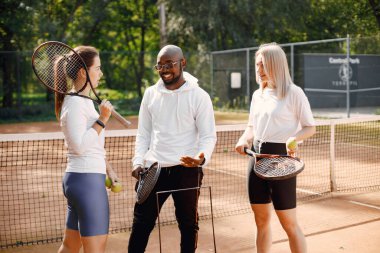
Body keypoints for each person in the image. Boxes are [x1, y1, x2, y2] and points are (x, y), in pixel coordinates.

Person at [128, 44, 217, 253]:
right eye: (160, 65)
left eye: (170, 64)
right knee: (141, 224)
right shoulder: (150, 94)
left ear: (183, 63)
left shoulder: (199, 96)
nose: (165, 69)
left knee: (188, 225)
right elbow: (143, 133)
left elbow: (208, 136)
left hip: (186, 170)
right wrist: (137, 162)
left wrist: (200, 158)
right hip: (154, 169)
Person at [235, 43, 316, 253]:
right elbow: (251, 127)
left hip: (282, 162)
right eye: (256, 65)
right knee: (261, 221)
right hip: (256, 159)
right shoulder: (257, 95)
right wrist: (243, 139)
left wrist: (293, 139)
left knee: (288, 223)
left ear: (276, 65)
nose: (258, 70)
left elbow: (310, 127)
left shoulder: (294, 93)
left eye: (263, 65)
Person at [55, 46, 120, 253]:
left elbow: (93, 144)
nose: (100, 73)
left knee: (70, 247)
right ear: (84, 71)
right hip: (86, 183)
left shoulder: (83, 101)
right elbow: (80, 147)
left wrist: (108, 169)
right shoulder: (74, 103)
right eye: (98, 68)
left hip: (84, 179)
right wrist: (102, 119)